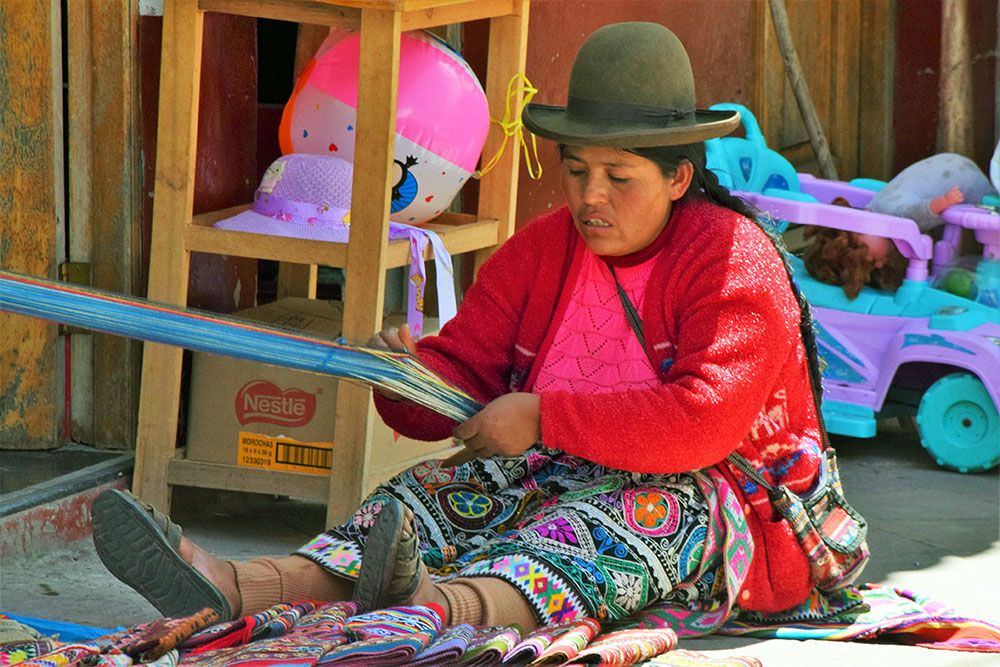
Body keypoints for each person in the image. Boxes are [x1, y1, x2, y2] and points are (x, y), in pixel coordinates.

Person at [92, 22, 828, 633]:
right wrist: (407, 375)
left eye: (618, 176)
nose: (589, 197)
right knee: (429, 491)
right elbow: (464, 371)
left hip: (719, 497)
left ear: (677, 177)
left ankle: (430, 606)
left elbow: (701, 424)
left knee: (626, 518)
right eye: (576, 171)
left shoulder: (736, 260)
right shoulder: (546, 247)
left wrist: (541, 417)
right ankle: (237, 583)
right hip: (558, 461)